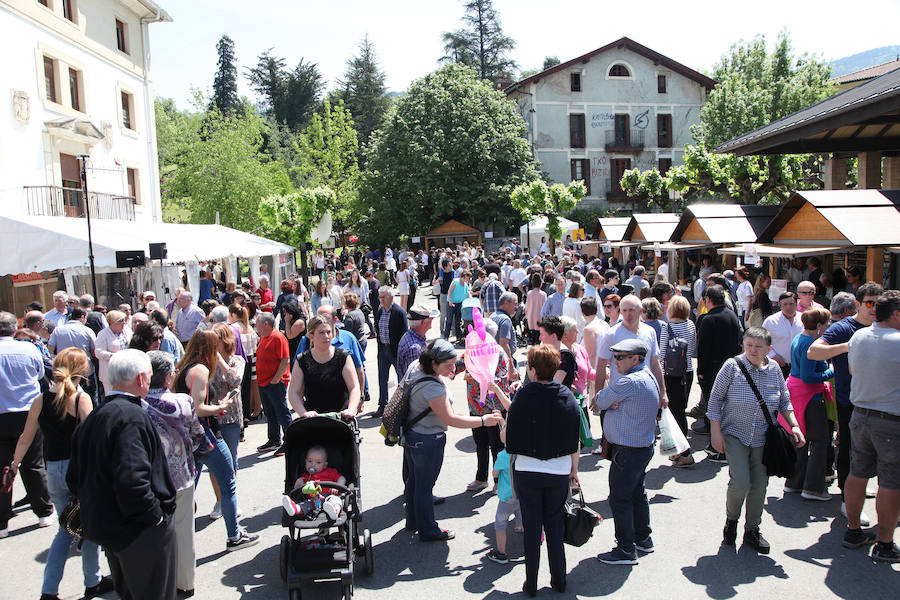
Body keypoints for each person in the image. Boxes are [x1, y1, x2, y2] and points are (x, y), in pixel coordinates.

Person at [66, 350, 178, 600]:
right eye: (149, 377)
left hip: (109, 529)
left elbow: (74, 479)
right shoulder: (131, 417)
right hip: (138, 532)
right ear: (141, 379)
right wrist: (156, 518)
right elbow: (132, 481)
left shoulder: (94, 417)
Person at [9, 348, 114, 600]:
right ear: (81, 371)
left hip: (53, 469)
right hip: (78, 469)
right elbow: (92, 439)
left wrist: (14, 465)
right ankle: (86, 582)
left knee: (68, 526)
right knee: (82, 526)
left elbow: (26, 438)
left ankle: (65, 586)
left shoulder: (40, 399)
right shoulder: (80, 398)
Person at [708, 328, 805, 554]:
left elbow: (784, 402)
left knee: (760, 484)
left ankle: (752, 529)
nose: (752, 349)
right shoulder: (731, 367)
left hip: (763, 437)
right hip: (735, 434)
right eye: (749, 344)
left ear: (769, 350)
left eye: (758, 346)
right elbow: (715, 400)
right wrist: (715, 432)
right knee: (741, 482)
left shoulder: (774, 370)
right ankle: (731, 522)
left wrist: (795, 425)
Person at [402, 339, 502, 541]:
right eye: (448, 365)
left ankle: (413, 521)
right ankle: (428, 530)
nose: (453, 369)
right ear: (433, 363)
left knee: (415, 482)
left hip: (413, 436)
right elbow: (450, 419)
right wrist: (483, 421)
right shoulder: (432, 388)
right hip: (427, 440)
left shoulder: (416, 367)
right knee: (424, 487)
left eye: (454, 363)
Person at [505, 344, 580, 595]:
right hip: (559, 469)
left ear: (534, 370)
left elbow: (509, 440)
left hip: (527, 469)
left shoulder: (523, 396)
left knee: (532, 527)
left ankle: (531, 582)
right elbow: (574, 440)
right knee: (555, 526)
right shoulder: (567, 396)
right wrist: (574, 471)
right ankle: (559, 579)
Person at [173, 330, 258, 551]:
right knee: (228, 483)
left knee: (187, 487)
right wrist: (220, 407)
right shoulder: (200, 370)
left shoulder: (185, 368)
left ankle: (176, 536)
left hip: (191, 437)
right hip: (207, 436)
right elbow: (197, 408)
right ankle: (234, 536)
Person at [807, 282, 882, 524]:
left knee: (881, 453)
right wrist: (849, 346)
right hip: (850, 400)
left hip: (883, 402)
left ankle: (867, 493)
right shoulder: (844, 327)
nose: (874, 308)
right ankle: (848, 501)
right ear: (857, 304)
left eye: (879, 304)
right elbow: (814, 352)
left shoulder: (887, 325)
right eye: (870, 303)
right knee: (851, 449)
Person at [842, 290, 900, 563]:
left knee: (858, 472)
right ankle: (884, 544)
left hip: (861, 414)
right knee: (890, 482)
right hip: (890, 419)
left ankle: (853, 531)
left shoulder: (859, 336)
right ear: (897, 314)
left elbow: (854, 371)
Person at [143, 351, 205, 597]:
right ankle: (185, 581)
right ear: (168, 377)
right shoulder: (183, 402)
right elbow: (197, 435)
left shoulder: (138, 405)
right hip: (181, 476)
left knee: (151, 532)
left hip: (149, 479)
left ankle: (156, 581)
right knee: (183, 531)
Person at [594, 339, 660, 565]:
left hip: (628, 451)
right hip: (641, 447)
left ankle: (625, 549)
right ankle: (643, 538)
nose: (615, 361)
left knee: (620, 499)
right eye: (615, 356)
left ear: (636, 358)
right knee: (636, 493)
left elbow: (600, 400)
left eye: (620, 357)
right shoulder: (648, 376)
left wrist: (611, 399)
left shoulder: (629, 382)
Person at [0, 311, 54, 538]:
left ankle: (2, 521)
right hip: (27, 412)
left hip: (3, 413)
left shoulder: (27, 348)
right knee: (33, 463)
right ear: (15, 329)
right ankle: (42, 511)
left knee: (2, 466)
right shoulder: (29, 348)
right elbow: (40, 374)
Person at [782, 308, 834, 501]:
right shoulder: (811, 343)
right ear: (819, 326)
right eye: (827, 323)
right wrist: (830, 371)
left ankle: (794, 482)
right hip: (809, 397)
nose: (829, 326)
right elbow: (808, 376)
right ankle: (813, 488)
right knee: (820, 441)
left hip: (798, 395)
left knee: (801, 440)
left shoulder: (799, 338)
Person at [456, 318, 510, 493]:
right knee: (480, 443)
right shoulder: (470, 351)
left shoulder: (498, 351)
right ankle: (481, 478)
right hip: (475, 406)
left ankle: (498, 480)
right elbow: (454, 367)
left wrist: (479, 374)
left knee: (497, 445)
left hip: (494, 405)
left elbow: (503, 373)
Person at [694, 285, 743, 459]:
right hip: (731, 366)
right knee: (726, 407)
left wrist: (701, 371)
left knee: (715, 408)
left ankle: (718, 448)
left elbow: (703, 349)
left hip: (713, 369)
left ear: (708, 300)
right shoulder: (732, 315)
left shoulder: (709, 319)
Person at [287, 316, 361, 418]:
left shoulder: (343, 356)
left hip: (341, 418)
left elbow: (354, 387)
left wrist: (351, 409)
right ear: (311, 335)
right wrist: (303, 412)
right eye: (321, 332)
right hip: (313, 419)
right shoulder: (302, 360)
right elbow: (293, 392)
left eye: (329, 332)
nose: (326, 336)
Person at [658, 296, 697, 468]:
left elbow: (662, 352)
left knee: (674, 413)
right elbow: (693, 348)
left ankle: (684, 453)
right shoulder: (690, 325)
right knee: (680, 410)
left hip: (671, 373)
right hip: (687, 371)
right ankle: (679, 450)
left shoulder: (668, 327)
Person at [209, 323, 246, 494]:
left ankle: (230, 497)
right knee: (213, 462)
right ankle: (219, 500)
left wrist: (220, 360)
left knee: (231, 459)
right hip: (211, 416)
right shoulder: (206, 362)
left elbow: (235, 381)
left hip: (230, 417)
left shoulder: (236, 360)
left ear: (225, 341)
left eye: (216, 341)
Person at [255, 313, 293, 453]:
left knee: (282, 412)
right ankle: (274, 439)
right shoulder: (264, 337)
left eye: (258, 323)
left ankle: (290, 440)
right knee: (270, 413)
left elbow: (285, 360)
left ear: (266, 324)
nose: (256, 326)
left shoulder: (278, 337)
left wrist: (276, 379)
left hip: (275, 383)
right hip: (264, 382)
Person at [485, 419, 522, 564]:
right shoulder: (523, 453)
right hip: (521, 494)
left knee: (500, 524)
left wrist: (498, 474)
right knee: (522, 516)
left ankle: (501, 553)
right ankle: (529, 547)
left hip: (506, 496)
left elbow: (495, 474)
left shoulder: (503, 455)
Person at [282, 445, 347, 517]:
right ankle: (295, 509)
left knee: (336, 500)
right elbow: (298, 489)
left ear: (325, 465)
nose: (313, 465)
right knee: (305, 504)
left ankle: (334, 511)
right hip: (313, 500)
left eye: (318, 462)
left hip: (330, 495)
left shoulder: (330, 472)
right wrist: (298, 483)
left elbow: (342, 478)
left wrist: (338, 486)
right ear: (305, 462)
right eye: (310, 461)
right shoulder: (305, 476)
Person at [374, 287, 409, 417]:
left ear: (391, 298)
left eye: (384, 297)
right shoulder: (379, 311)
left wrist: (401, 351)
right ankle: (383, 406)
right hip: (383, 349)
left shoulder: (399, 312)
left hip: (395, 351)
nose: (381, 300)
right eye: (380, 297)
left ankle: (401, 407)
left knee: (402, 380)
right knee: (382, 379)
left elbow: (405, 333)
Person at [763, 292, 803, 379]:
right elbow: (762, 341)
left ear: (796, 304)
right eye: (785, 304)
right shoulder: (770, 321)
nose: (788, 307)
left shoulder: (803, 319)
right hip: (778, 366)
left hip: (800, 366)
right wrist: (772, 355)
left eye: (791, 304)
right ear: (780, 305)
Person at [95, 310, 131, 396]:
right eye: (120, 321)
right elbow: (98, 352)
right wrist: (113, 356)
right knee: (112, 395)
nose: (123, 323)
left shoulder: (127, 331)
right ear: (111, 322)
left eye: (124, 320)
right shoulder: (103, 334)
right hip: (110, 372)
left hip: (126, 370)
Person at [397, 305, 438, 378]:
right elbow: (415, 378)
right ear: (424, 322)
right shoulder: (415, 349)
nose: (432, 319)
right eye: (430, 318)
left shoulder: (410, 336)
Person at [445, 269, 472, 342]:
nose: (469, 279)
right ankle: (446, 336)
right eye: (468, 277)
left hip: (460, 304)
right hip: (452, 303)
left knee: (458, 320)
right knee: (449, 320)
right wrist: (450, 300)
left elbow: (468, 293)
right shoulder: (456, 282)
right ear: (465, 276)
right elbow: (450, 291)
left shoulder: (466, 285)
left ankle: (458, 336)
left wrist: (471, 300)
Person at [524, 273, 547, 345]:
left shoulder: (529, 293)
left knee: (533, 335)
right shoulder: (543, 294)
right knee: (539, 336)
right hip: (539, 317)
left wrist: (526, 316)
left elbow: (527, 306)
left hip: (531, 316)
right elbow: (545, 307)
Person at [282, 300, 307, 367]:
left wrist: (287, 322)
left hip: (296, 349)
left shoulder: (299, 322)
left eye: (285, 312)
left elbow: (290, 335)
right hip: (290, 348)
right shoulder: (292, 319)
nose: (284, 314)